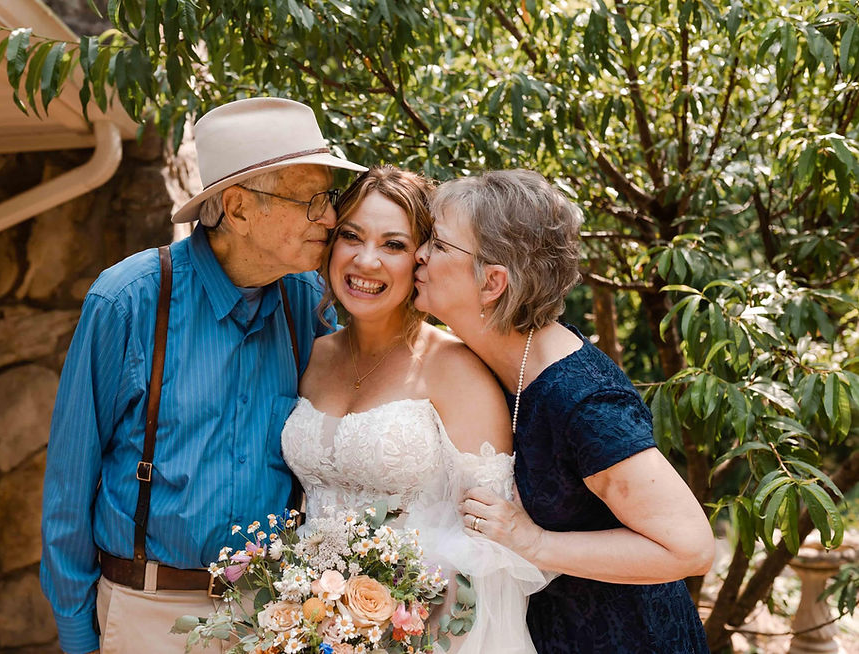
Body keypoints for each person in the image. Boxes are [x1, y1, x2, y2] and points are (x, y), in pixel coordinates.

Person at [41, 97, 366, 654]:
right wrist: (77, 636)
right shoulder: (129, 301)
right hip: (148, 614)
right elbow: (70, 482)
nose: (331, 219)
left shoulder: (307, 302)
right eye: (311, 201)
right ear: (238, 209)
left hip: (273, 612)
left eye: (330, 199)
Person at [413, 168, 716, 653]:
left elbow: (691, 548)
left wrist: (534, 543)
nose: (419, 253)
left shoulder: (584, 402)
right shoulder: (494, 360)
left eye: (439, 244)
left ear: (492, 282)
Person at [280, 166, 550, 654]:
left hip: (429, 637)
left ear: (421, 259)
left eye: (393, 245)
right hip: (313, 631)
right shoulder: (311, 357)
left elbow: (490, 552)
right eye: (351, 236)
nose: (366, 261)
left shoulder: (457, 369)